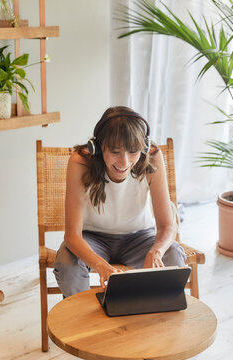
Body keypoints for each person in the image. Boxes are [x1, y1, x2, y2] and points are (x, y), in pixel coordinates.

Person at [53, 106, 186, 297]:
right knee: (67, 264)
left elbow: (167, 226)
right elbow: (72, 236)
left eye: (133, 152)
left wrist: (155, 252)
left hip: (140, 237)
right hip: (93, 238)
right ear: (98, 148)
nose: (124, 163)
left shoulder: (152, 157)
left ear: (144, 147)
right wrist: (101, 266)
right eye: (115, 152)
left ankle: (150, 318)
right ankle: (85, 322)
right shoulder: (81, 161)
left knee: (173, 255)